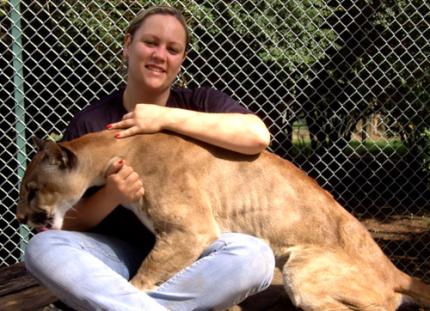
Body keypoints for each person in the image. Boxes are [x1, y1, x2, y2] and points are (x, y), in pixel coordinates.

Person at [24, 5, 275, 311]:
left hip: (196, 258)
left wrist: (164, 118)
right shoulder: (92, 123)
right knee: (42, 247)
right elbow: (74, 223)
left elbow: (257, 136)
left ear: (182, 59)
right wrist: (112, 195)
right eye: (150, 42)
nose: (160, 55)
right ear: (128, 44)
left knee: (255, 255)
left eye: (173, 49)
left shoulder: (202, 103)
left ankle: (123, 305)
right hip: (116, 260)